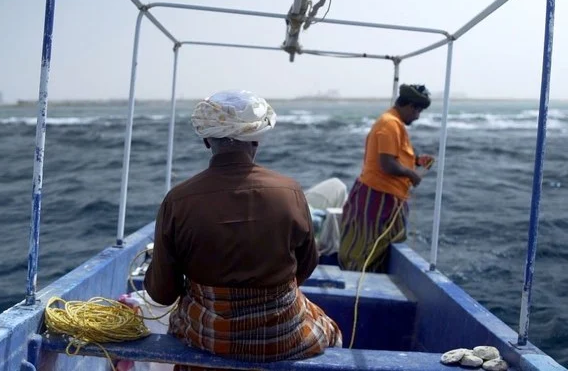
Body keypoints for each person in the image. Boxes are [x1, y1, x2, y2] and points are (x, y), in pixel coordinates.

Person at [143, 90, 342, 369]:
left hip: (210, 337)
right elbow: (306, 267)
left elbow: (162, 294)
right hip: (282, 336)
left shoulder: (177, 201)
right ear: (256, 140)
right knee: (332, 332)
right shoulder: (291, 192)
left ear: (205, 140)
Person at [338, 84, 435, 273]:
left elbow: (393, 156)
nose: (418, 117)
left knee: (376, 245)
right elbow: (387, 164)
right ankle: (357, 283)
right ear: (410, 107)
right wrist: (411, 173)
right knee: (366, 248)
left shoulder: (393, 123)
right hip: (380, 199)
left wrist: (415, 161)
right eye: (418, 111)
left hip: (385, 196)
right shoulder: (390, 124)